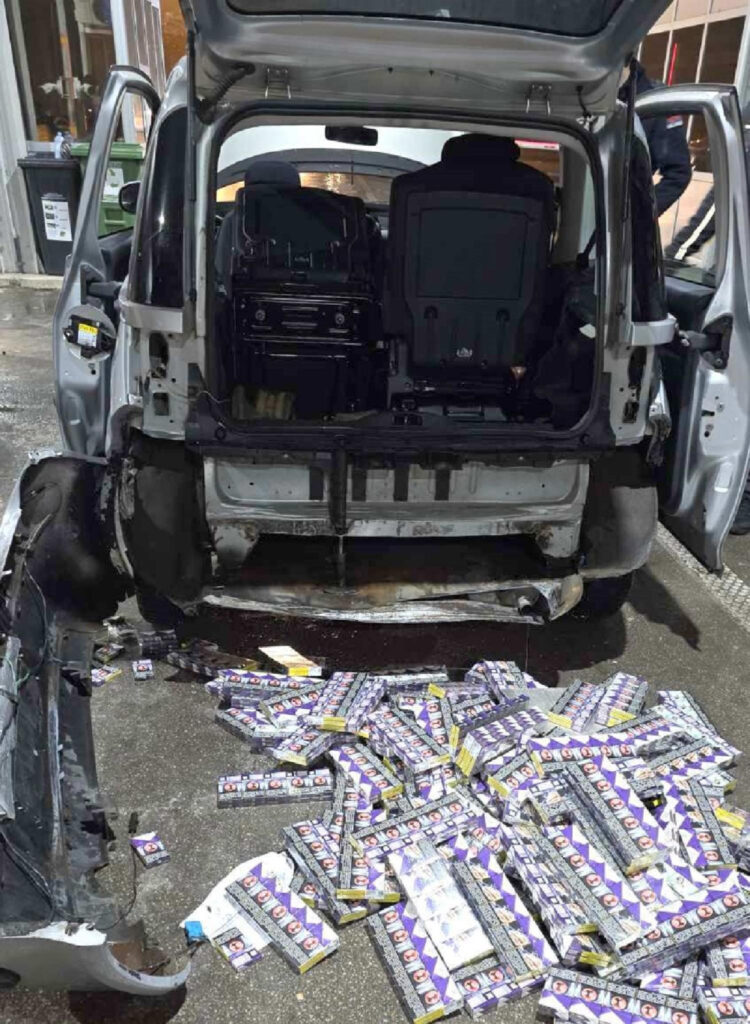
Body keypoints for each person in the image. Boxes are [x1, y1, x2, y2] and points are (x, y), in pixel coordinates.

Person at [619, 59, 692, 216]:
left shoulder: (656, 101)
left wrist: (639, 214)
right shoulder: (582, 94)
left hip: (619, 214)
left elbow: (678, 172)